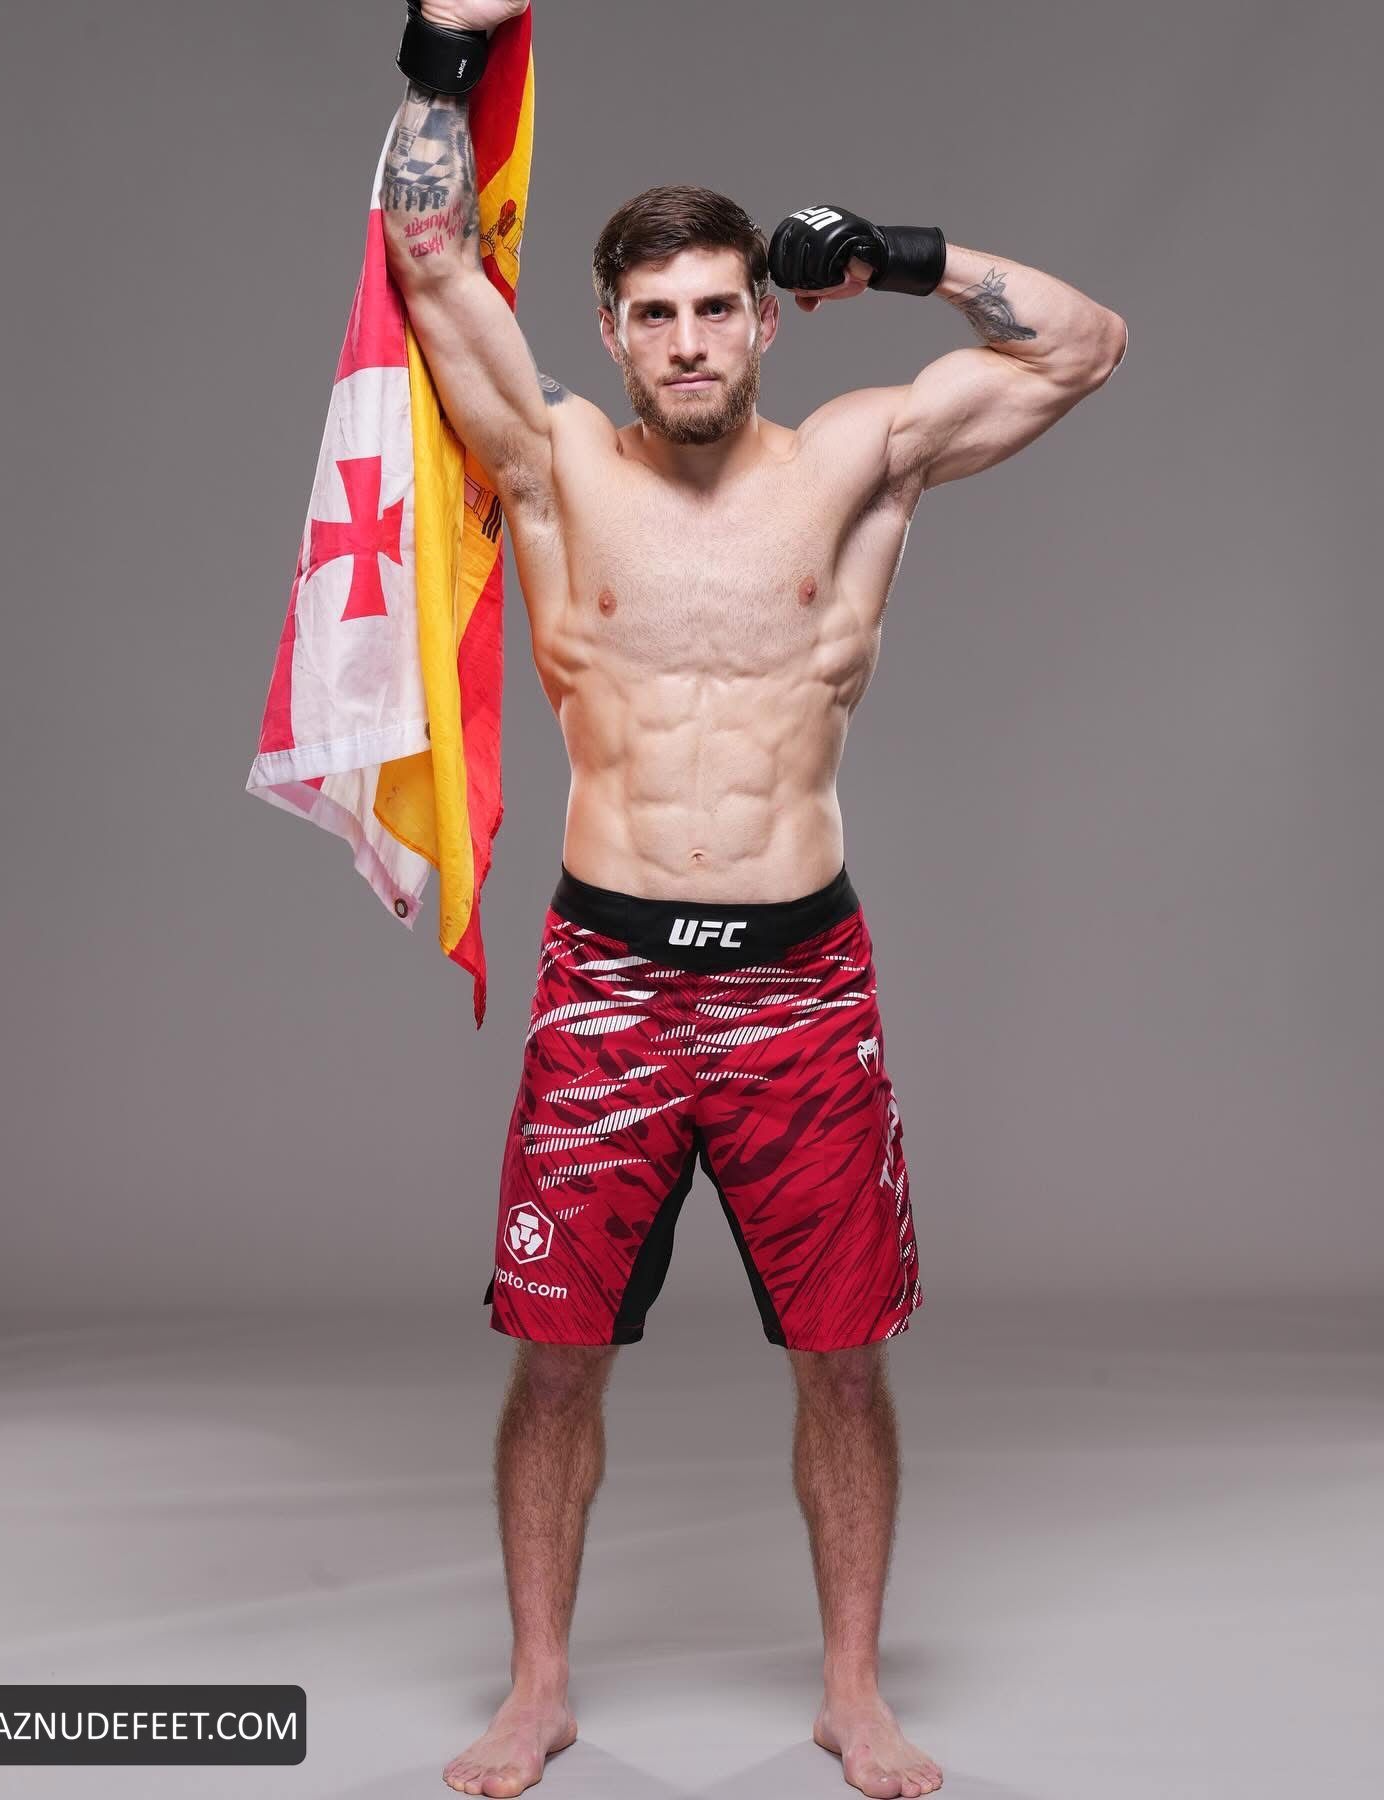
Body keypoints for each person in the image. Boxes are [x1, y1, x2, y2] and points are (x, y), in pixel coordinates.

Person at [381, 5, 1127, 1796]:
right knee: (556, 1360)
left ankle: (854, 1694)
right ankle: (538, 1691)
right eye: (656, 313)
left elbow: (1087, 345)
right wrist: (437, 53)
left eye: (720, 307)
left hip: (802, 983)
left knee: (843, 1363)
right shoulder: (552, 461)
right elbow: (426, 257)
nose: (691, 340)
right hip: (610, 982)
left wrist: (905, 256)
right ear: (609, 328)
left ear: (768, 320)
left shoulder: (861, 457)